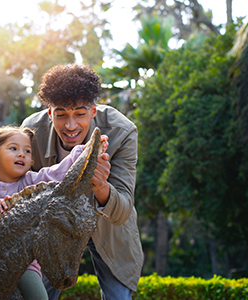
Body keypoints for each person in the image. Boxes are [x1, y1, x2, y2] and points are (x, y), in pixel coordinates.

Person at [0, 122, 107, 300]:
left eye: (27, 151)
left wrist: (82, 153)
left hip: (23, 263)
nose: (22, 154)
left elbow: (57, 173)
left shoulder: (30, 180)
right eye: (13, 148)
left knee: (37, 295)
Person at [21, 64, 144, 300]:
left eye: (79, 114)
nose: (70, 125)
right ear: (49, 113)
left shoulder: (123, 131)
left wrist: (100, 186)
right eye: (61, 115)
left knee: (119, 297)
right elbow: (19, 191)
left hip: (108, 229)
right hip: (52, 230)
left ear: (94, 111)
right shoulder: (31, 132)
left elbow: (123, 210)